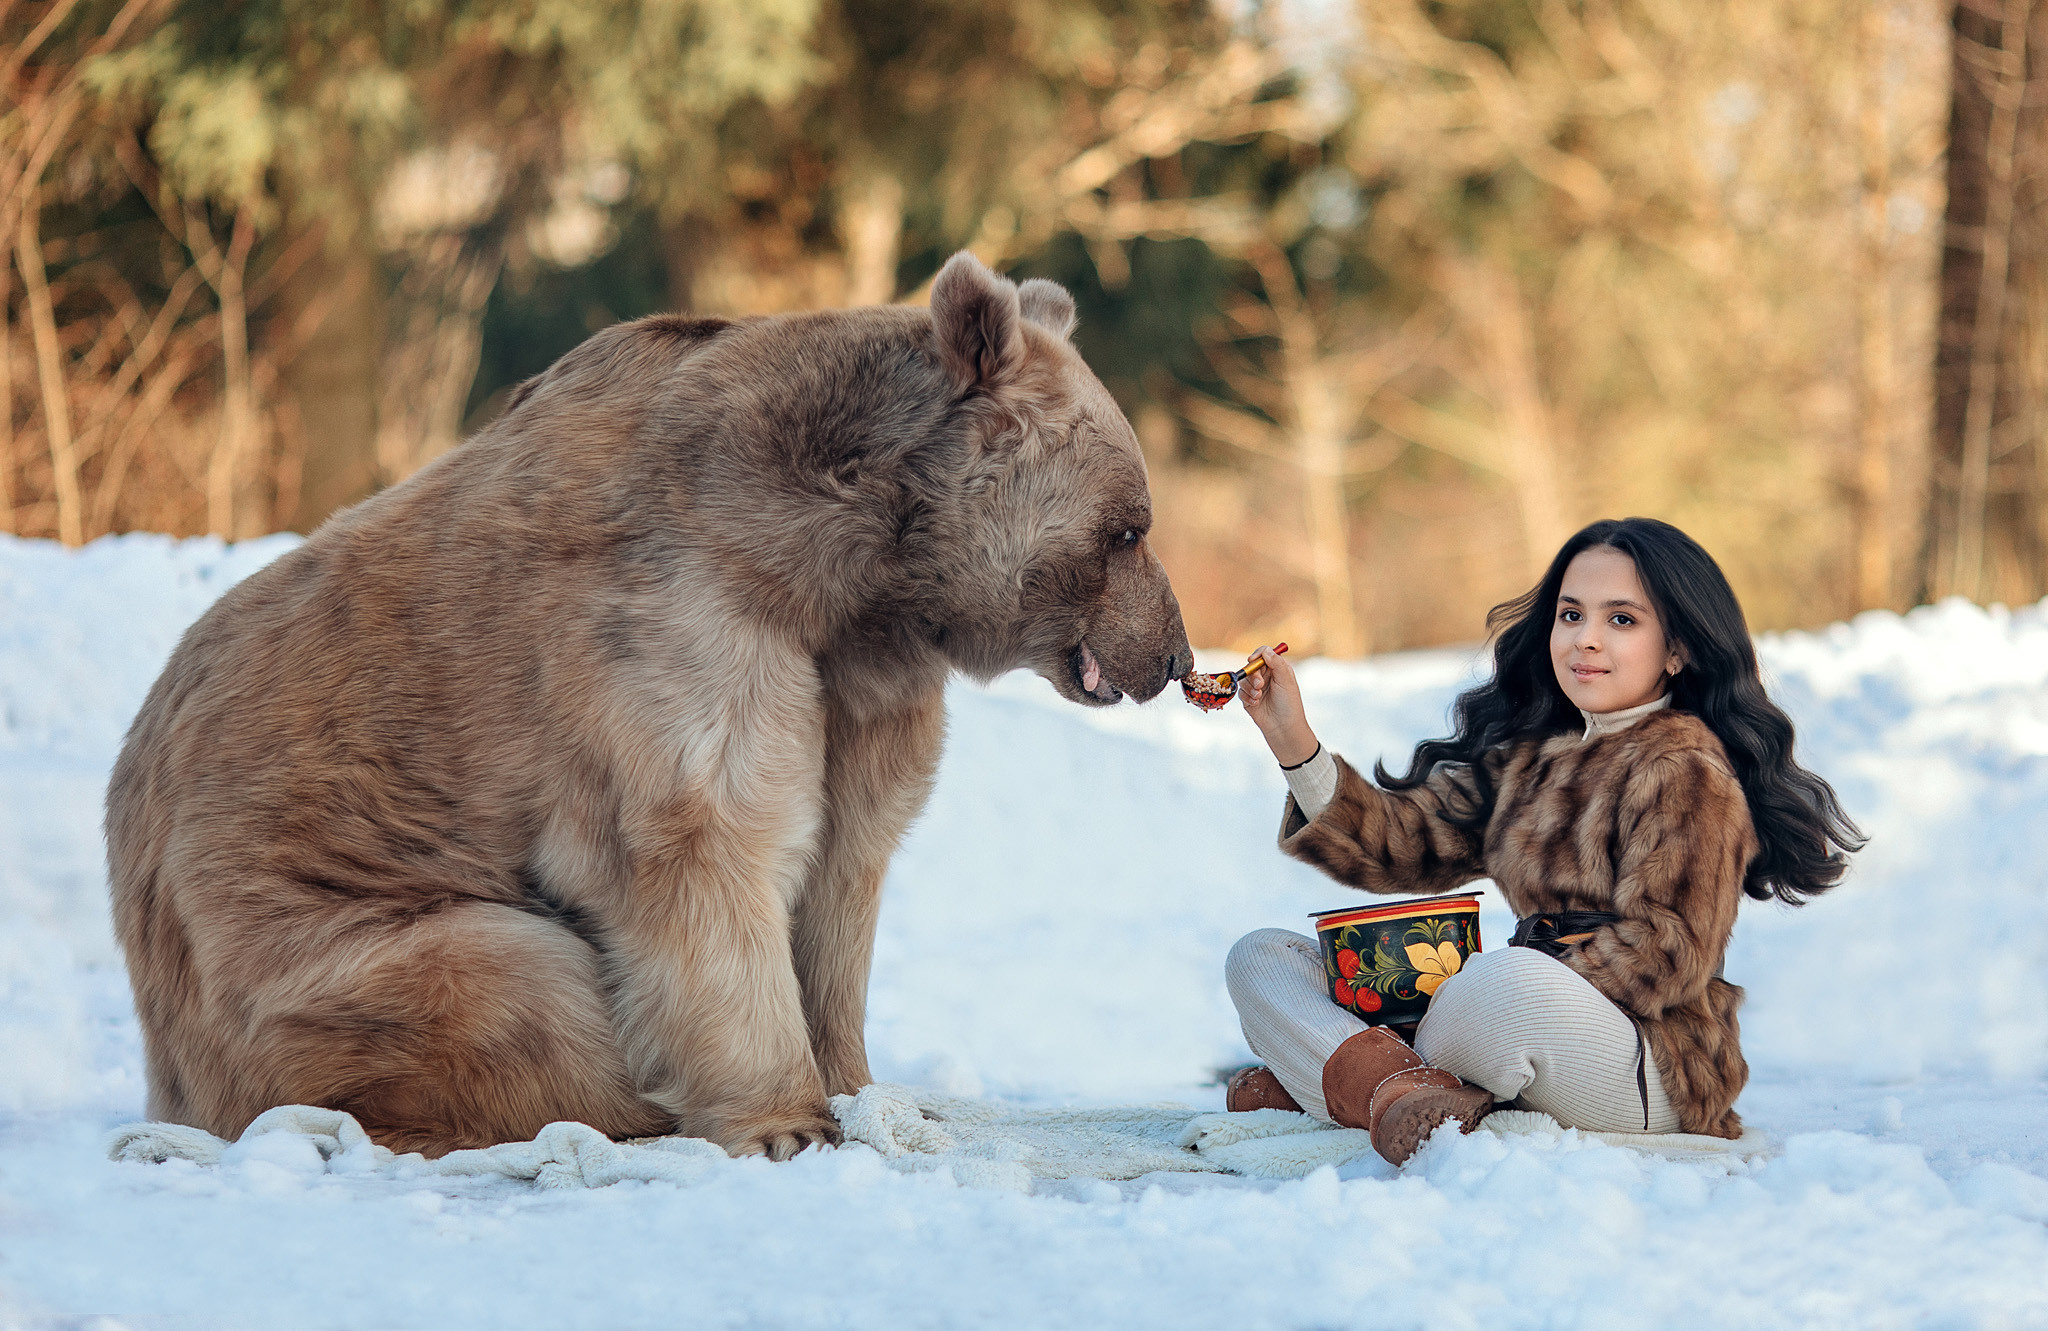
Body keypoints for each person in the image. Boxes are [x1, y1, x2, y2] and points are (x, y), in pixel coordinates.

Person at [1221, 518, 1864, 1165]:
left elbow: (1669, 948)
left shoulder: (1686, 768)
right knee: (1262, 958)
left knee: (1497, 981)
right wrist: (1292, 739)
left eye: (1621, 620)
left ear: (1677, 648)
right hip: (1516, 1024)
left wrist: (1503, 988)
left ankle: (1345, 1076)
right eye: (1571, 613)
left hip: (1650, 1057)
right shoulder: (1529, 761)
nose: (1585, 638)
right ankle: (1397, 1087)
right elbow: (1398, 844)